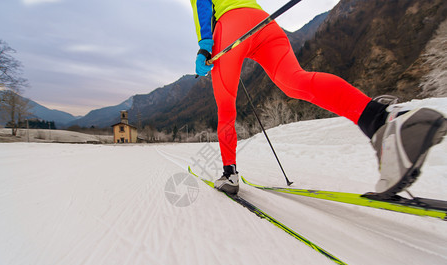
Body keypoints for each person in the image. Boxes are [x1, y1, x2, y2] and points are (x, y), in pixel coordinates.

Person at [190, 0, 446, 195]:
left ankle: (229, 173)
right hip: (264, 23)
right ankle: (382, 121)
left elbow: (203, 4)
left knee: (226, 108)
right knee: (296, 81)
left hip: (229, 27)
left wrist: (204, 44)